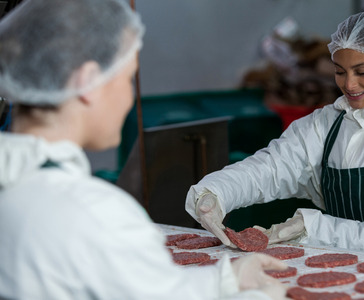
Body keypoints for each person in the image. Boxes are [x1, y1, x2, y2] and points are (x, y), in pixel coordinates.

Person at [0, 0, 289, 299]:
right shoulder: (95, 214)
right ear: (87, 82)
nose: (129, 98)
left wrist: (223, 280)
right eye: (127, 79)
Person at [186, 11, 364, 259]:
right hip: (340, 267)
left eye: (362, 71)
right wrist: (216, 192)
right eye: (339, 71)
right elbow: (270, 168)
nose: (349, 84)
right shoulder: (325, 125)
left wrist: (310, 227)